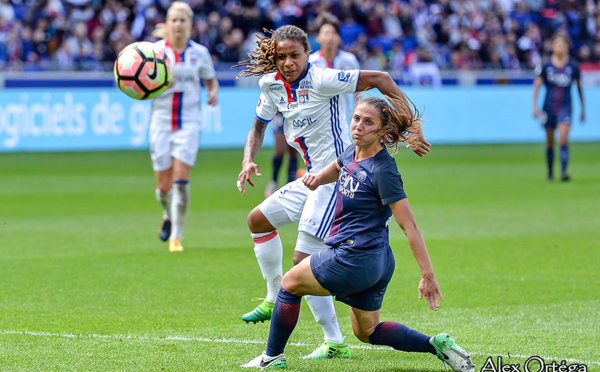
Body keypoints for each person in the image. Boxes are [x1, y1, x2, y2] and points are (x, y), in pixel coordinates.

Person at [233, 25, 431, 359]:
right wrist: (247, 159)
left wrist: (411, 124)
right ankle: (273, 297)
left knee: (301, 263)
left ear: (308, 55)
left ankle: (330, 340)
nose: (288, 62)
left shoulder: (324, 79)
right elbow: (257, 127)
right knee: (257, 220)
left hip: (339, 178)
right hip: (312, 177)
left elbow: (381, 78)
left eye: (295, 55)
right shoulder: (270, 85)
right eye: (281, 56)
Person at [241, 95, 474, 372]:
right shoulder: (353, 152)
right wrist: (316, 178)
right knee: (368, 332)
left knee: (289, 284)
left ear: (383, 131)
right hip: (377, 260)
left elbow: (409, 226)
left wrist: (428, 275)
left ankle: (272, 357)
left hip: (354, 257)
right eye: (356, 119)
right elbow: (339, 167)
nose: (359, 126)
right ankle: (437, 344)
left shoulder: (383, 170)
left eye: (368, 122)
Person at [150, 1, 219, 252]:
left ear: (190, 24)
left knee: (181, 182)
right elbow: (142, 89)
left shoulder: (199, 53)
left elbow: (211, 82)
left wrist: (212, 94)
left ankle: (176, 237)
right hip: (160, 122)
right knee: (163, 188)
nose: (178, 24)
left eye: (182, 20)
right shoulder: (155, 52)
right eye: (174, 20)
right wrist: (157, 86)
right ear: (167, 24)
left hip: (189, 122)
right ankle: (167, 215)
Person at [532, 32, 585, 182]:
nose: (560, 47)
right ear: (553, 47)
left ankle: (563, 172)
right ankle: (550, 172)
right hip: (548, 107)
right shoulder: (546, 65)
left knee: (563, 138)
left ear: (567, 47)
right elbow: (536, 85)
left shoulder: (573, 66)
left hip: (566, 106)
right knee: (550, 141)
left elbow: (580, 88)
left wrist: (583, 109)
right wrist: (535, 107)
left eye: (563, 45)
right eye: (557, 44)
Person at [309, 12, 361, 117]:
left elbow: (358, 90)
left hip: (342, 116)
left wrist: (357, 111)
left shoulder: (349, 60)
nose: (330, 37)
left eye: (333, 33)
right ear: (318, 37)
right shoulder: (310, 62)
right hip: (317, 117)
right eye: (326, 33)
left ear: (339, 37)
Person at [265, 112, 298, 197]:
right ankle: (274, 181)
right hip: (280, 114)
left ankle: (291, 184)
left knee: (293, 150)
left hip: (294, 112)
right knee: (280, 151)